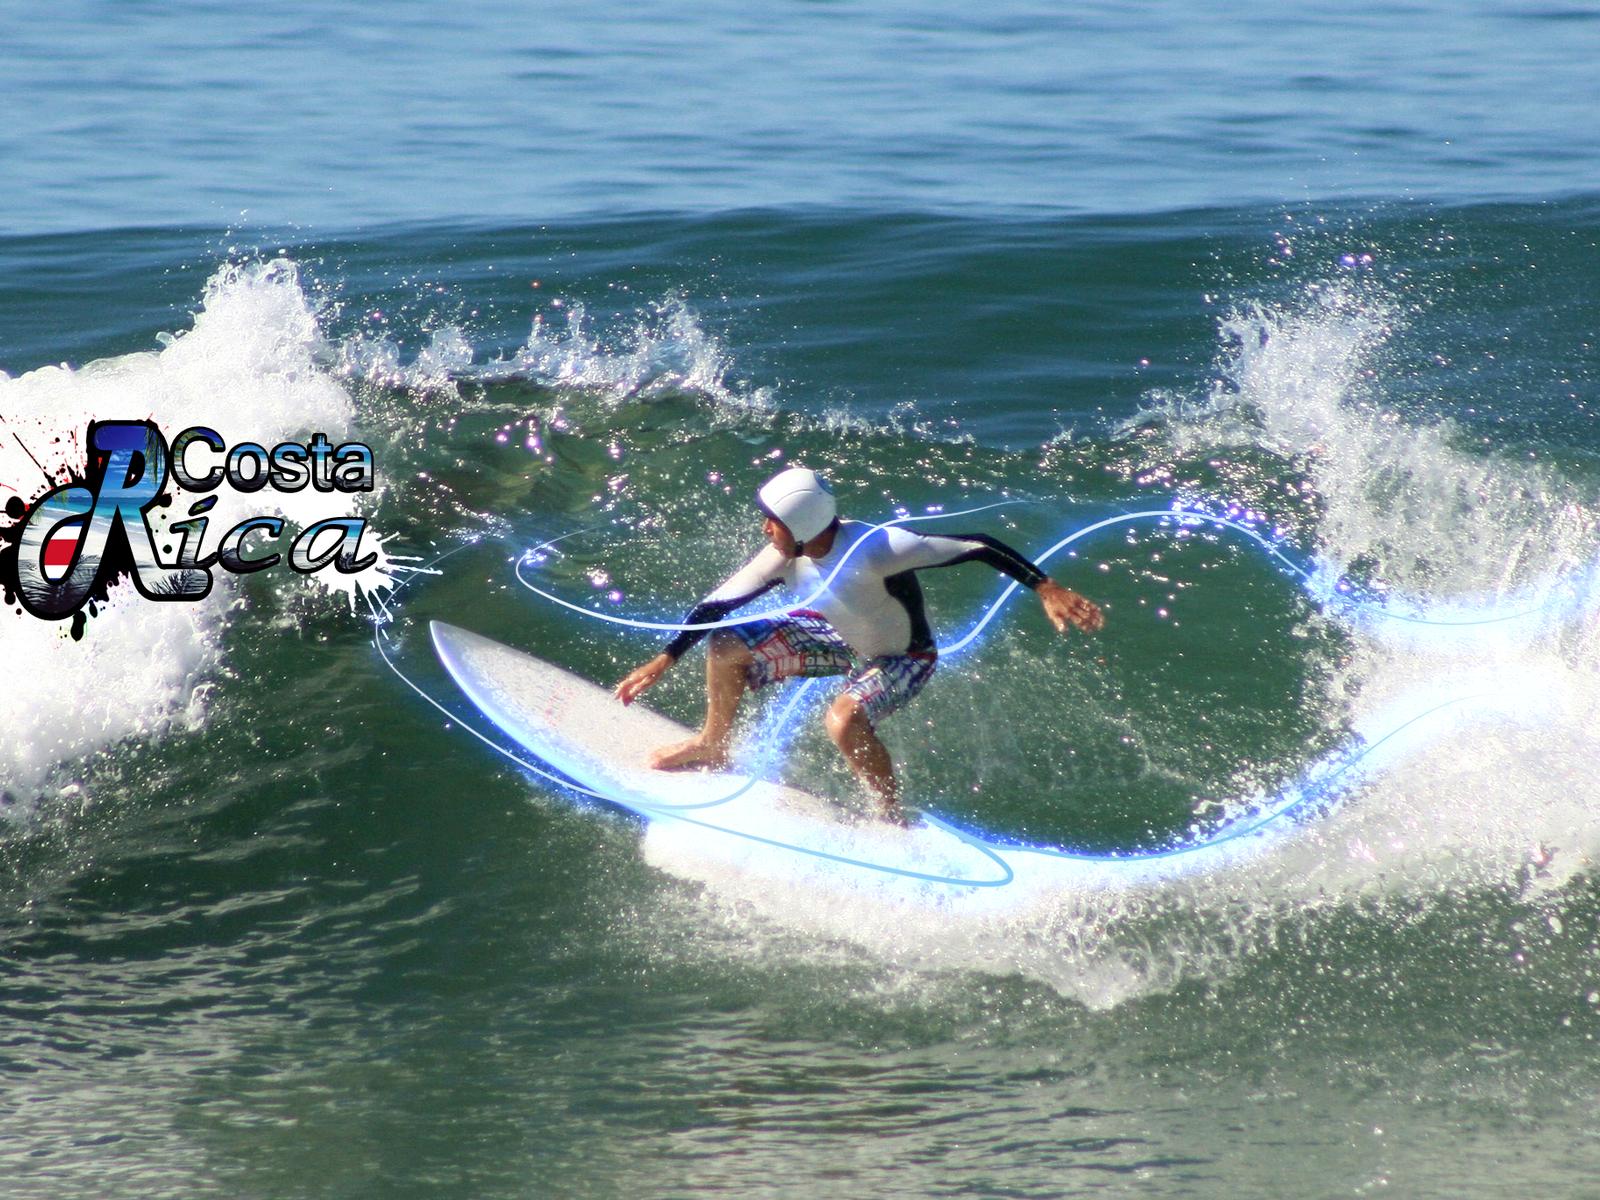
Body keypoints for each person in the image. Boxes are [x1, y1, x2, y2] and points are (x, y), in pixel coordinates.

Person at [614, 466, 1103, 823]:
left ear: (802, 524)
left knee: (843, 719)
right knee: (725, 644)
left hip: (903, 657)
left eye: (772, 520)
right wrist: (665, 658)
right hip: (836, 638)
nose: (765, 528)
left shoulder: (877, 548)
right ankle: (713, 745)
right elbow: (716, 606)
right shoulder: (784, 556)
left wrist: (1046, 587)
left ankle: (890, 816)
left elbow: (977, 544)